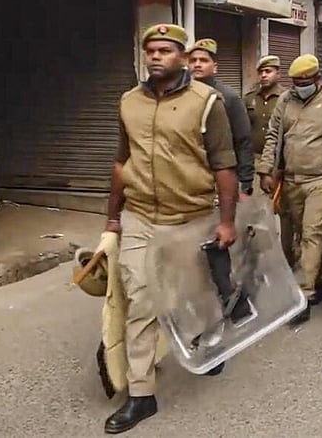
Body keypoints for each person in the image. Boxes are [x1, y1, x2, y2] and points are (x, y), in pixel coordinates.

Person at [103, 23, 239, 434]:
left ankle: (210, 342)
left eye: (165, 50)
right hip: (140, 215)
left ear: (182, 56)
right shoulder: (128, 102)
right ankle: (141, 394)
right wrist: (113, 218)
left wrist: (227, 221)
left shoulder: (207, 102)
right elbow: (119, 164)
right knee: (140, 299)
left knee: (195, 292)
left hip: (191, 216)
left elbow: (224, 165)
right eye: (151, 50)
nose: (156, 56)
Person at [257, 54, 322, 325]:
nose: (300, 85)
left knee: (311, 233)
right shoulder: (285, 100)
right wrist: (266, 170)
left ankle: (304, 293)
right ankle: (321, 280)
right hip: (291, 179)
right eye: (296, 81)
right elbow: (272, 137)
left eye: (305, 81)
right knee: (300, 234)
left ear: (317, 78)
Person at [243, 55, 299, 268]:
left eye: (269, 71)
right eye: (261, 72)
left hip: (282, 164)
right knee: (257, 211)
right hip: (257, 162)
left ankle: (287, 257)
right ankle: (260, 257)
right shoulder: (249, 99)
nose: (264, 76)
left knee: (284, 213)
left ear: (278, 73)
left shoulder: (287, 98)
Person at [188, 38, 255, 196]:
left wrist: (246, 180)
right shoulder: (180, 96)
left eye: (203, 60)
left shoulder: (228, 97)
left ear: (215, 67)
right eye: (193, 60)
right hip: (189, 175)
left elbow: (243, 140)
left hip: (220, 175)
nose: (197, 64)